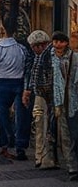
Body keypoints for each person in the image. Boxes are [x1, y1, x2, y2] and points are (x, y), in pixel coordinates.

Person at [0, 21, 29, 161]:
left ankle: (6, 142)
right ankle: (20, 146)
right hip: (19, 81)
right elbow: (25, 65)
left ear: (2, 31)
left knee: (3, 113)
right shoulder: (21, 48)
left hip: (3, 82)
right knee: (20, 115)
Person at [23, 30, 55, 169]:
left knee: (42, 124)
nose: (32, 50)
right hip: (40, 94)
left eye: (33, 47)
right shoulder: (40, 55)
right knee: (40, 124)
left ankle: (43, 157)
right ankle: (41, 157)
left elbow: (46, 77)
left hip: (44, 96)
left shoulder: (46, 56)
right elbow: (33, 74)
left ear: (39, 45)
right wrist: (29, 90)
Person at [49, 30, 78, 180]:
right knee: (65, 136)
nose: (57, 44)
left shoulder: (74, 58)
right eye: (55, 42)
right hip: (58, 102)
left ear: (66, 43)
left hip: (73, 102)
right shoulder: (50, 57)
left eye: (60, 41)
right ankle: (71, 166)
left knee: (74, 135)